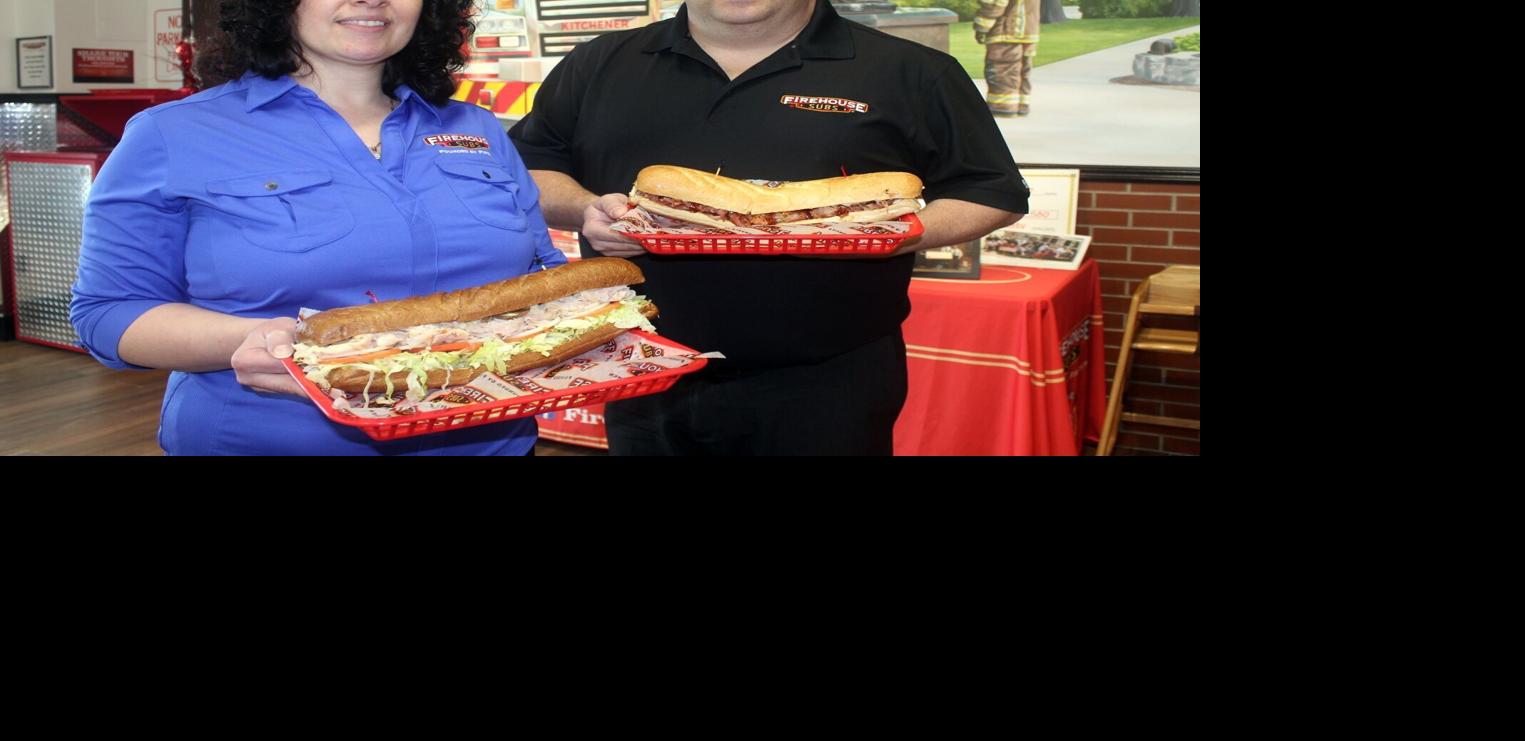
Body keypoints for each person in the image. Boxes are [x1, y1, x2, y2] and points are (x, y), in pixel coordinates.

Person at [509, 0, 1027, 456]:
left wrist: (898, 234)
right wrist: (585, 209)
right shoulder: (599, 63)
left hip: (826, 383)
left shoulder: (911, 70)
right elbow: (530, 169)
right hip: (641, 367)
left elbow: (991, 192)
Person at [70, 0, 563, 455]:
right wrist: (251, 338)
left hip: (489, 441)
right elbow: (110, 312)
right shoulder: (172, 134)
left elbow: (545, 278)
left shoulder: (477, 129)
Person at [975, 0, 1041, 118]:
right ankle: (1021, 105)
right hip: (1028, 31)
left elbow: (995, 3)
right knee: (1022, 72)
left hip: (1007, 31)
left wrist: (982, 26)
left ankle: (1002, 107)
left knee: (1002, 71)